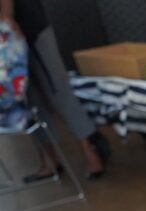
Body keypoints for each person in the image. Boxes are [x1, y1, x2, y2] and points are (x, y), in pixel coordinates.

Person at [1, 0, 110, 180]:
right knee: (31, 102)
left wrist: (6, 17)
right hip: (7, 38)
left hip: (29, 28)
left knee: (58, 92)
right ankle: (50, 161)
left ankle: (91, 152)